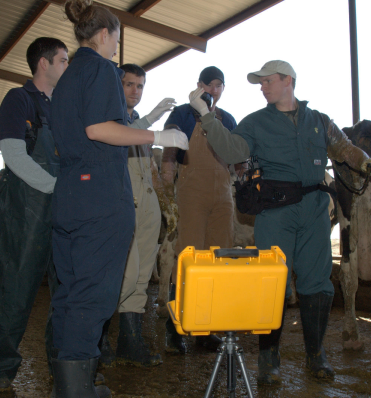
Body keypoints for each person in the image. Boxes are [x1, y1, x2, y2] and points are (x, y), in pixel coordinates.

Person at [188, 60, 371, 382]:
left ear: (288, 81)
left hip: (315, 208)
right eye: (260, 83)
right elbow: (232, 150)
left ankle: (316, 355)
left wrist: (366, 162)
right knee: (271, 284)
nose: (262, 87)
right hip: (275, 212)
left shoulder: (319, 121)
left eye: (267, 81)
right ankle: (268, 357)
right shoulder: (255, 122)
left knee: (318, 284)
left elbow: (344, 149)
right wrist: (205, 115)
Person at [50, 1, 188, 396]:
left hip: (70, 191)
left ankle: (72, 384)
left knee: (70, 292)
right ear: (106, 35)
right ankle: (76, 390)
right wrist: (158, 136)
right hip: (100, 195)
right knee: (94, 296)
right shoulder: (100, 68)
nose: (116, 48)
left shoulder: (69, 76)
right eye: (117, 40)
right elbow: (99, 128)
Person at [0, 37, 68, 393]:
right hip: (25, 210)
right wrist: (57, 188)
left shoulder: (61, 107)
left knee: (66, 292)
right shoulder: (19, 99)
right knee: (14, 289)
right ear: (43, 63)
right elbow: (14, 157)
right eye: (62, 60)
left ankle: (64, 365)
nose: (66, 67)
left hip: (60, 211)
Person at [98, 63, 175, 368]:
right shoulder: (109, 116)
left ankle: (130, 341)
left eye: (140, 86)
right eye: (129, 84)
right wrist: (154, 119)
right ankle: (99, 338)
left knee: (143, 274)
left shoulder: (132, 121)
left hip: (146, 200)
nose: (135, 91)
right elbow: (127, 136)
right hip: (122, 200)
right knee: (122, 274)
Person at [160, 66, 241, 353]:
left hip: (223, 196)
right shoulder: (183, 113)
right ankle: (175, 329)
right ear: (199, 85)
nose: (215, 90)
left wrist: (248, 171)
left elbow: (238, 153)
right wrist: (168, 177)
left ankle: (206, 330)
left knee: (218, 259)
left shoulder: (226, 118)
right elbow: (169, 143)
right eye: (210, 85)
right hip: (192, 193)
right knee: (188, 258)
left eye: (220, 86)